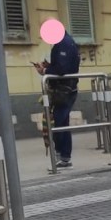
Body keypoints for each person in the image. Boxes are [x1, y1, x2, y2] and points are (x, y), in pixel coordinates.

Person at [34, 30, 80, 167]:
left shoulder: (64, 43)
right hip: (65, 89)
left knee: (60, 122)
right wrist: (49, 66)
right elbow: (63, 66)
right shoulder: (65, 41)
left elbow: (62, 69)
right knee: (60, 121)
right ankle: (62, 155)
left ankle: (63, 156)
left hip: (64, 90)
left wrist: (45, 71)